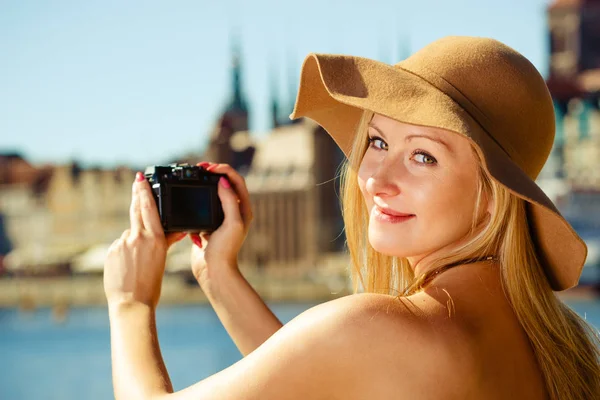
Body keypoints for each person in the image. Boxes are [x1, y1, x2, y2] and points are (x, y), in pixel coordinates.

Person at [103, 36, 600, 399]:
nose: (376, 179)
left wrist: (129, 305)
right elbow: (323, 372)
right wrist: (218, 277)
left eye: (423, 156)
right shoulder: (560, 346)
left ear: (494, 195)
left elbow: (340, 354)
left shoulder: (380, 330)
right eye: (379, 142)